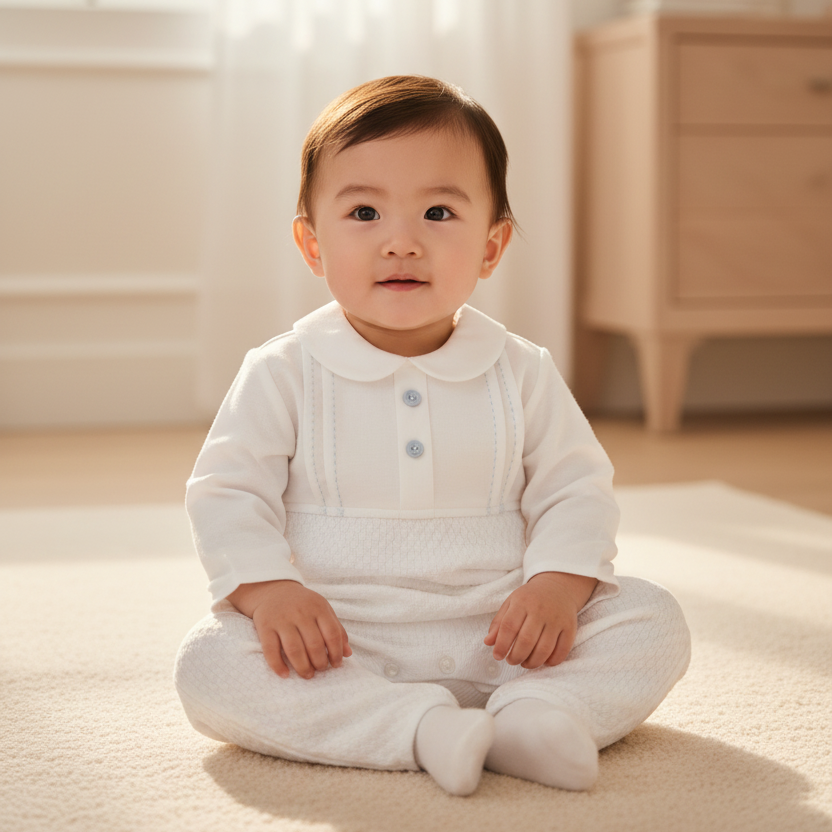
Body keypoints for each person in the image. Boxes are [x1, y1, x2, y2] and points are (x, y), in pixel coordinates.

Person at [174, 75, 691, 796]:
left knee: (652, 618)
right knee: (209, 663)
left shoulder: (521, 371)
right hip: (342, 642)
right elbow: (228, 491)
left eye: (439, 212)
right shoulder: (283, 371)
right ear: (311, 243)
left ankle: (536, 717)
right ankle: (417, 727)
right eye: (363, 212)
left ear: (491, 245)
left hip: (508, 639)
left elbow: (575, 489)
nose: (402, 243)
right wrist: (270, 592)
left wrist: (556, 587)